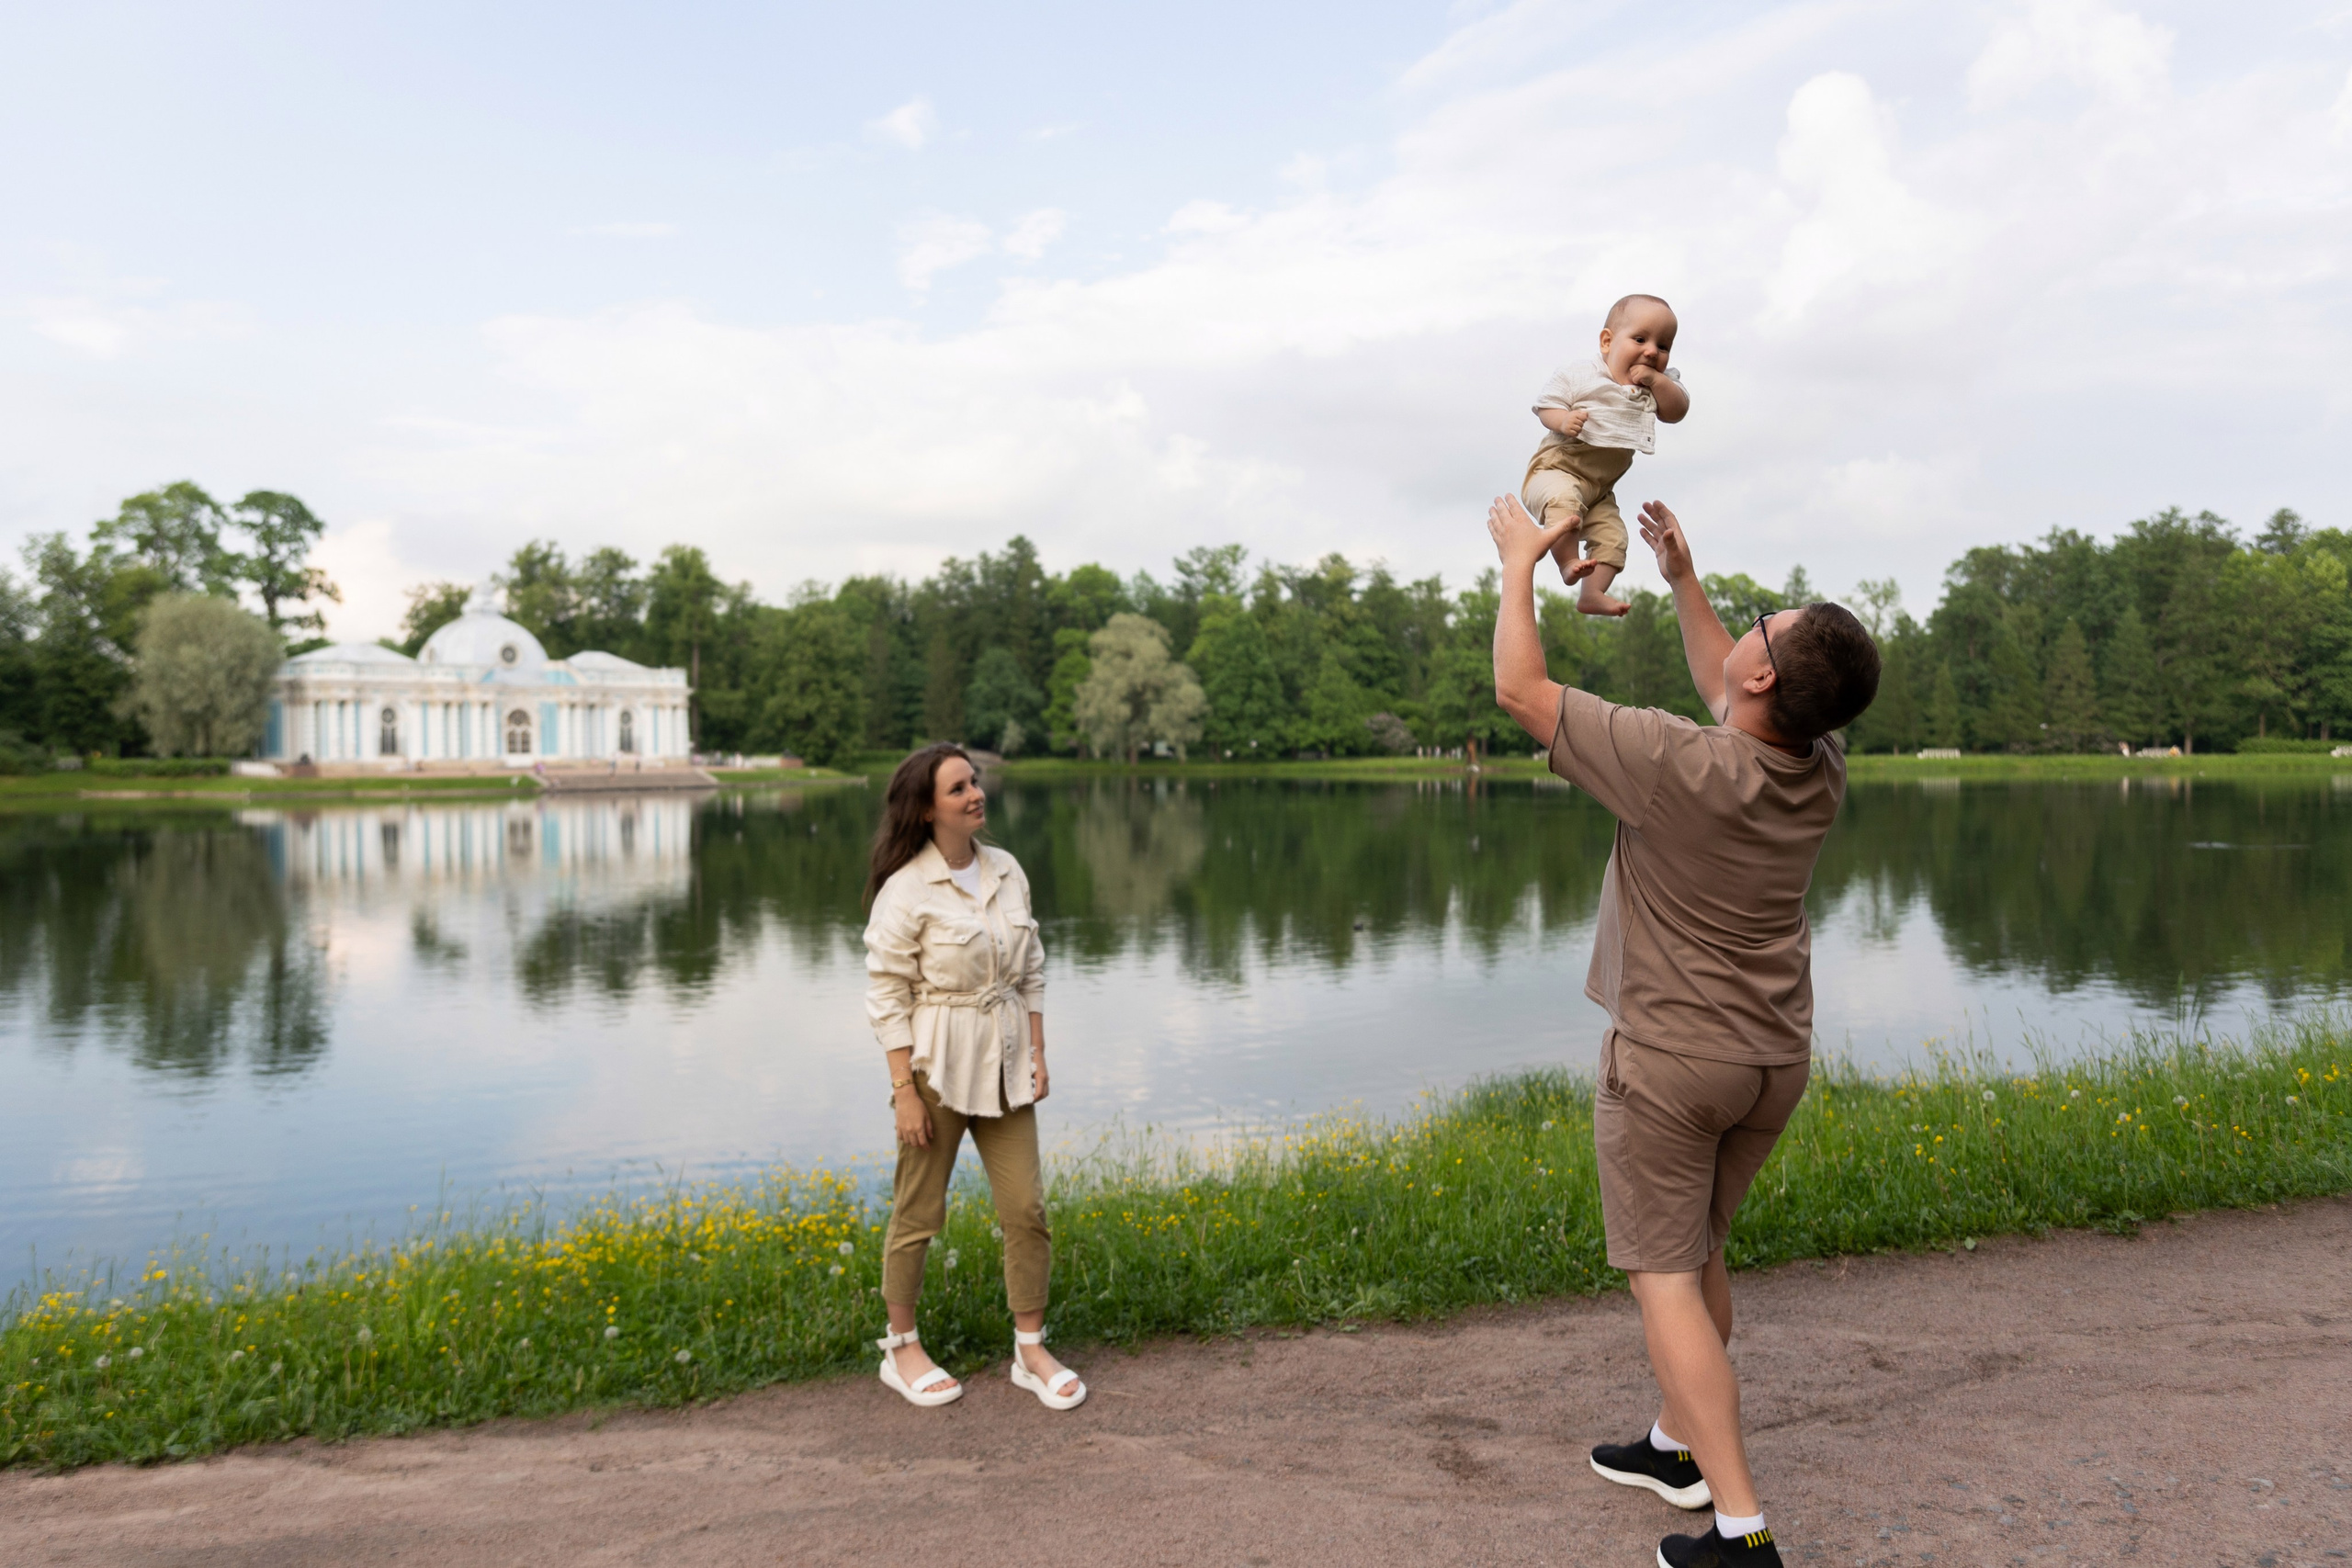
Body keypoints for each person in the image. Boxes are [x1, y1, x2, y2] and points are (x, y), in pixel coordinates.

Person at [1485, 491, 1880, 1568]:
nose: (1746, 633)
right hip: (1770, 1061)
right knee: (1698, 1253)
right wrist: (1683, 581)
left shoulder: (1674, 766)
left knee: (1663, 1279)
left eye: (1760, 626)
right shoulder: (1818, 767)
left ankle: (1742, 1533)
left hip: (1671, 1065)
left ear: (1763, 678)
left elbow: (1519, 690)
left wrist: (1518, 565)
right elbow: (1732, 688)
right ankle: (1674, 1449)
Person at [862, 742, 1085, 1411]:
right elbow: (886, 996)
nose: (975, 793)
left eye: (975, 781)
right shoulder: (907, 890)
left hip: (1008, 1063)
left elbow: (1032, 967)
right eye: (958, 788)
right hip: (936, 1067)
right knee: (918, 1212)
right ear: (928, 810)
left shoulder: (1007, 869)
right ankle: (901, 1349)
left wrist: (1038, 1051)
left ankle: (1030, 1350)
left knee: (1026, 1209)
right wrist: (904, 1091)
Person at [1521, 294, 1689, 617]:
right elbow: (1546, 405)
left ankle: (1592, 593)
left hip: (1598, 491)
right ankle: (1568, 562)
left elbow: (1677, 410)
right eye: (1640, 339)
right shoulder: (1582, 375)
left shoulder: (1656, 387)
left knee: (1614, 538)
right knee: (1565, 503)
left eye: (1663, 346)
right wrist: (1563, 421)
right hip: (1555, 471)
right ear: (1607, 342)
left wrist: (1656, 380)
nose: (1651, 351)